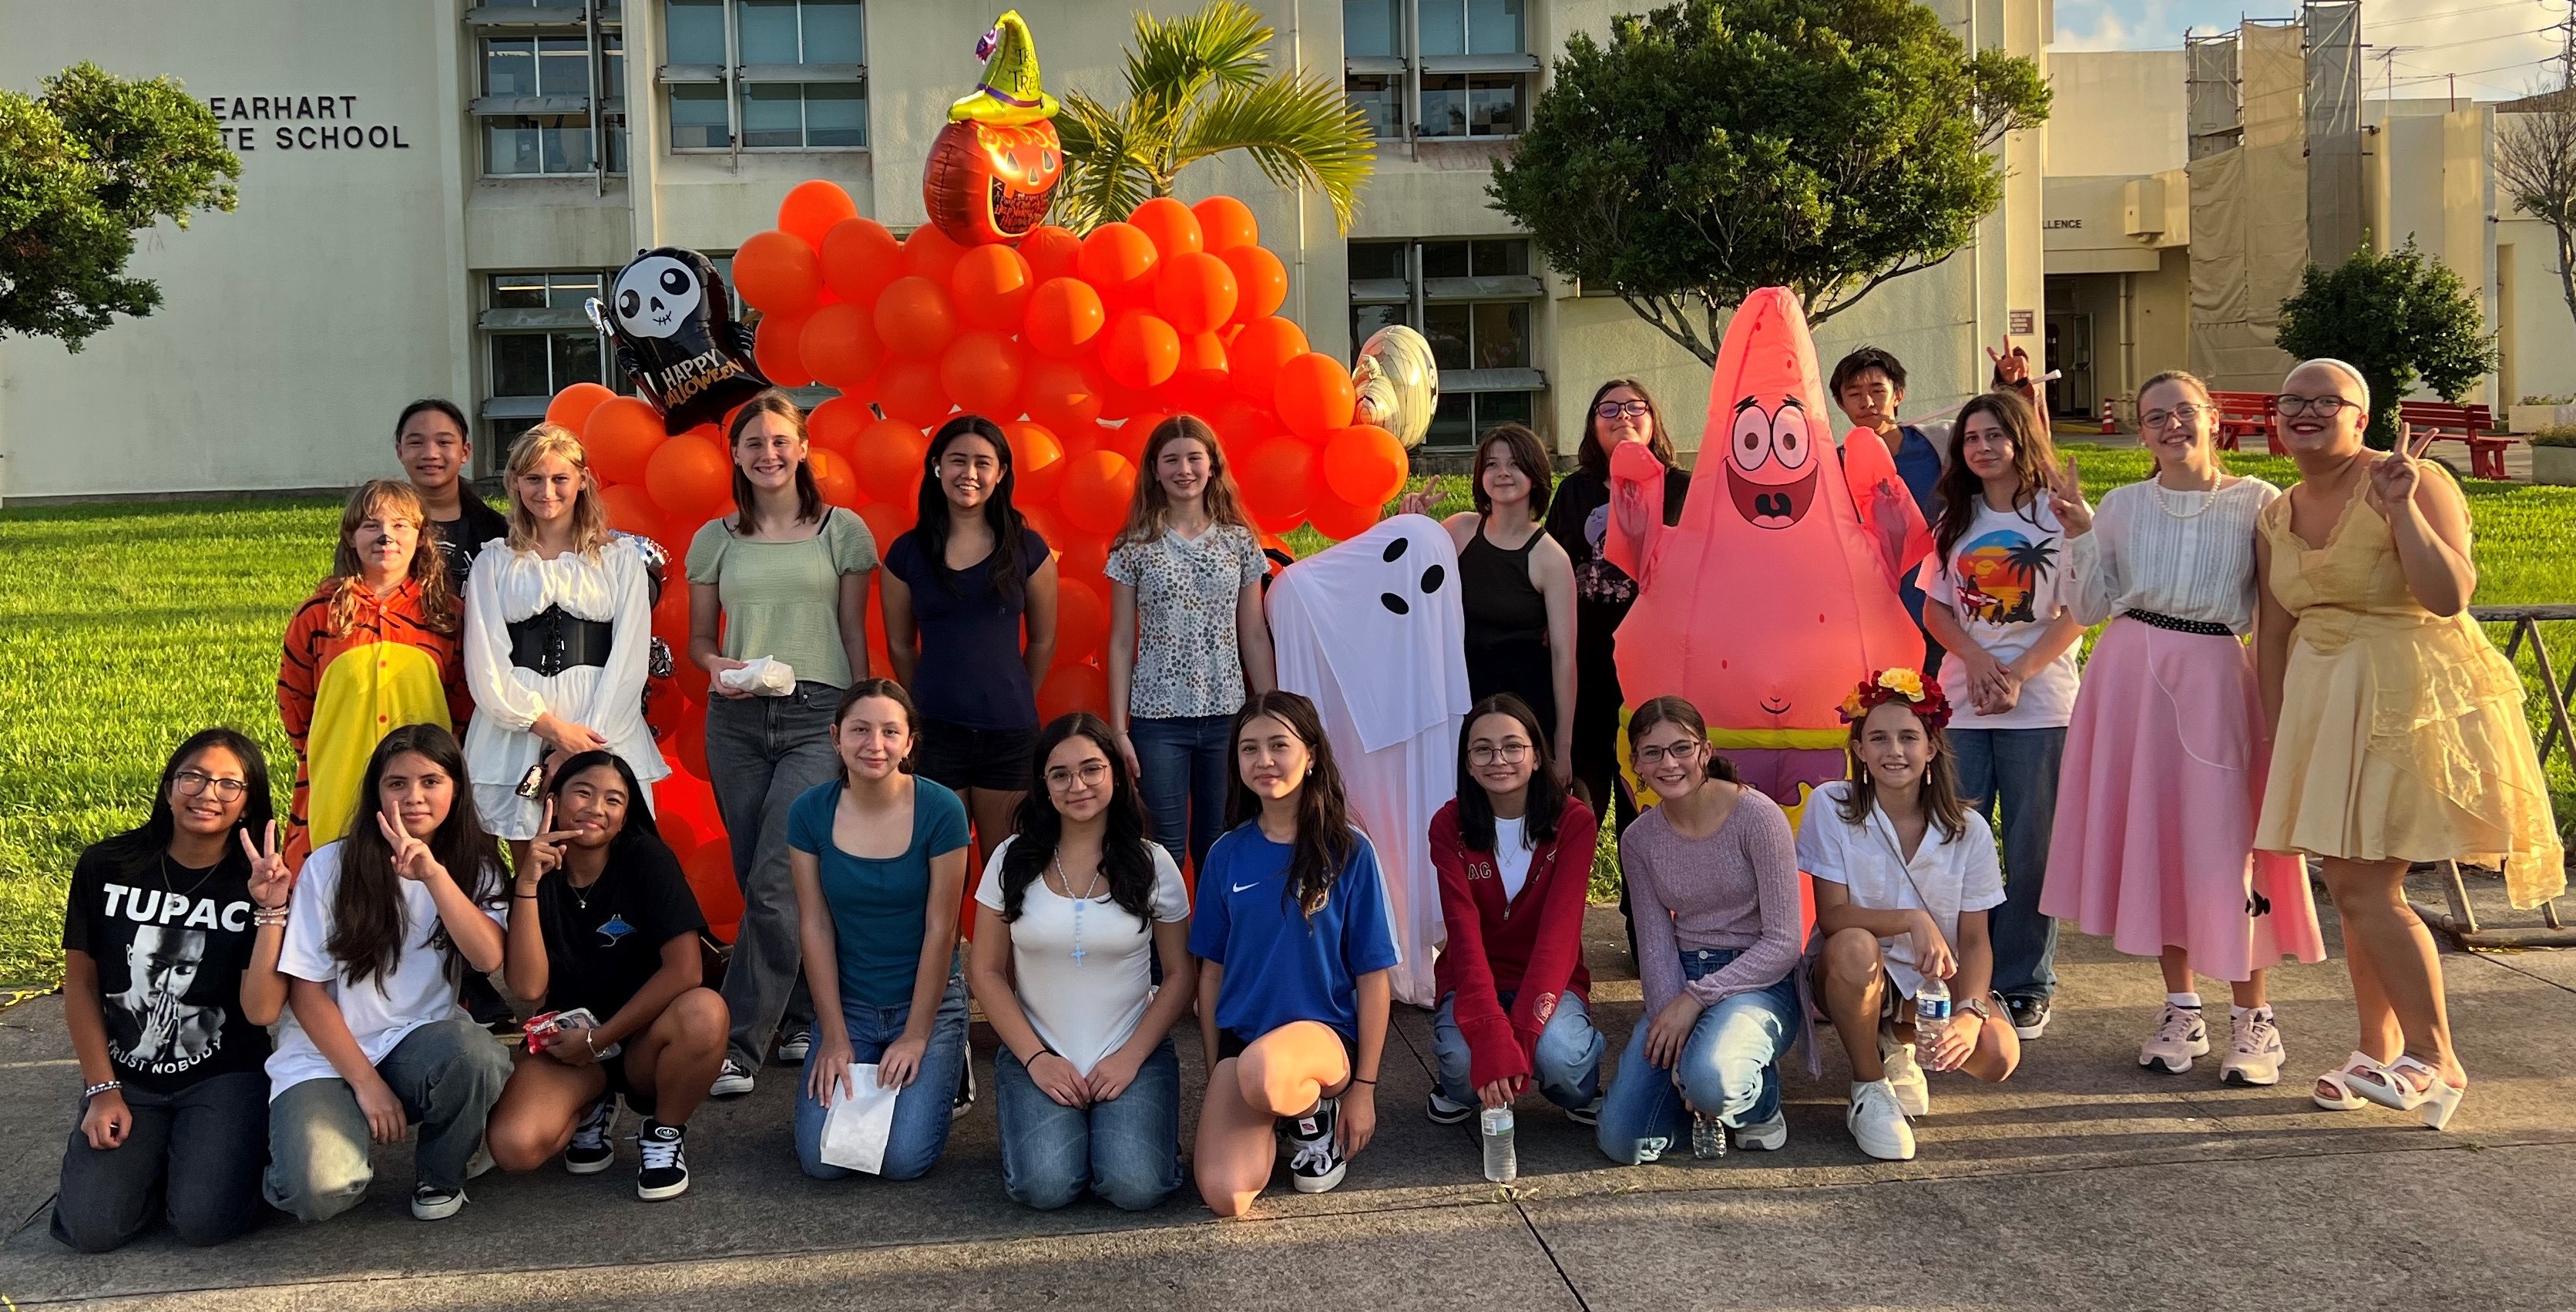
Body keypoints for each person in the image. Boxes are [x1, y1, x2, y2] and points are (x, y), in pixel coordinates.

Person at [2255, 358, 2564, 1130]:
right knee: (2352, 887)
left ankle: (2434, 1057)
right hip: (2325, 709)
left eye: (2326, 401)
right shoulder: (2276, 512)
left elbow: (2449, 595)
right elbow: (2274, 632)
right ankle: (2374, 1050)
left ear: (2361, 418)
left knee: (2364, 886)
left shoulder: (2409, 481)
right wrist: (2277, 733)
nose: (2305, 412)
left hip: (2405, 705)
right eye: (2291, 400)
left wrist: (2401, 512)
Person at [2040, 371, 2323, 1083]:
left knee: (2227, 844)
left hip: (2215, 681)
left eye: (2184, 411)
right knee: (2160, 835)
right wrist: (2079, 534)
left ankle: (2253, 1017)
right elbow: (2091, 607)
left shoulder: (2258, 502)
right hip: (2128, 678)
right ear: (2141, 432)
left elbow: (2276, 611)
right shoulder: (2123, 505)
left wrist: (2278, 707)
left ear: (2213, 418)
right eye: (2155, 416)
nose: (2171, 425)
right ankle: (2181, 1006)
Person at [687, 390, 880, 1098]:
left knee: (777, 876)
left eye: (779, 441)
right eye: (753, 443)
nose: (767, 454)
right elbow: (700, 640)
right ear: (735, 456)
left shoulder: (842, 531)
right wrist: (717, 666)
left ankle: (735, 1044)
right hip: (735, 720)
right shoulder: (714, 539)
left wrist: (863, 720)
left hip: (816, 714)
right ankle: (800, 1016)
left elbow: (853, 632)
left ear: (801, 449)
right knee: (760, 877)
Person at [260, 725, 513, 1223]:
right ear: (376, 791)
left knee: (477, 1056)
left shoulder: (476, 868)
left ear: (457, 789)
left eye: (431, 781)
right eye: (397, 783)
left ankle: (440, 1176)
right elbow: (306, 993)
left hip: (418, 1042)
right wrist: (367, 1085)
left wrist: (434, 875)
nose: (414, 796)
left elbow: (487, 959)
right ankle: (285, 1139)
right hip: (325, 1056)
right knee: (317, 1192)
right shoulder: (329, 866)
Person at [53, 731, 291, 1252]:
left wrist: (271, 908)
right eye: (194, 778)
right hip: (127, 1078)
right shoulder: (107, 866)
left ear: (248, 803)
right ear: (168, 788)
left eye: (229, 784)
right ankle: (162, 1162)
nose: (208, 794)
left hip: (224, 1076)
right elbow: (81, 985)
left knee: (205, 1223)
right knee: (92, 1229)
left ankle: (203, 1160)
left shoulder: (256, 880)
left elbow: (262, 1011)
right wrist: (102, 1089)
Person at [966, 713, 1196, 1211]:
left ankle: (1125, 1137)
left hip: (1131, 1049)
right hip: (1038, 1050)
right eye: (1061, 774)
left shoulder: (1152, 862)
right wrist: (1036, 1059)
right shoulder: (1010, 858)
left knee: (1136, 1187)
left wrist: (1130, 1057)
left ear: (1116, 773)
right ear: (1043, 785)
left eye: (1091, 769)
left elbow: (1181, 975)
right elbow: (984, 971)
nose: (1078, 786)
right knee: (1044, 1188)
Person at [1191, 691, 1399, 1216]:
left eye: (1278, 745)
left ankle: (1314, 1114)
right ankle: (1279, 1111)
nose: (1263, 760)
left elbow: (1374, 977)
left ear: (1311, 756)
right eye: (1249, 748)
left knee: (1264, 1072)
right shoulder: (1225, 854)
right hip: (1247, 1047)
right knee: (1227, 1195)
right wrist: (1217, 1071)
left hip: (1323, 1040)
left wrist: (1364, 1089)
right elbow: (1211, 973)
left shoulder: (1350, 851)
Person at [1916, 389, 2082, 1041]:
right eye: (1970, 438)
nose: (1982, 448)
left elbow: (2078, 611)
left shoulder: (2056, 515)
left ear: (2019, 439)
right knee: (1952, 846)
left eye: (1994, 436)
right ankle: (1960, 976)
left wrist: (2017, 673)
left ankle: (2024, 983)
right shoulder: (1954, 520)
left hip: (2039, 708)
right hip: (1962, 706)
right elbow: (1936, 609)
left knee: (2032, 851)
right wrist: (1978, 660)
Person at [485, 752, 727, 1199]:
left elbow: (686, 969)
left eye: (614, 800)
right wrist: (527, 884)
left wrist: (599, 1039)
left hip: (644, 1040)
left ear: (625, 817)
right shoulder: (537, 872)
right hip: (570, 1047)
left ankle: (664, 1133)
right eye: (583, 793)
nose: (597, 807)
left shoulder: (647, 858)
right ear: (553, 802)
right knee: (515, 1146)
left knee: (705, 1013)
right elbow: (528, 987)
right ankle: (592, 1103)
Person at [1803, 671, 2021, 1162]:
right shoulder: (1832, 805)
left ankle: (1895, 1040)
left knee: (1998, 1055)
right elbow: (1833, 917)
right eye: (1878, 738)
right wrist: (1913, 919)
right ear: (1859, 749)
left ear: (1931, 746)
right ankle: (1868, 1085)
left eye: (1908, 737)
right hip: (1852, 972)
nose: (1894, 751)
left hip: (1930, 984)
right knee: (1855, 945)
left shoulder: (1969, 829)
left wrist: (1970, 1013)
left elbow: (1975, 940)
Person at [1595, 697, 1803, 1163]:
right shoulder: (1639, 839)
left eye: (1681, 748)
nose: (1669, 764)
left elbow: (1784, 943)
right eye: (1652, 753)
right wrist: (1672, 1018)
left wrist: (1695, 1001)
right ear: (1636, 764)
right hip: (1683, 976)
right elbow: (1655, 945)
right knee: (1623, 1141)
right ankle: (1702, 1090)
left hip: (1758, 980)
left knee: (1710, 1080)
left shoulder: (1758, 816)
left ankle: (1759, 1103)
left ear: (1705, 751)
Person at [789, 679, 975, 1181]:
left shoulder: (942, 809)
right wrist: (834, 1035)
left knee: (903, 1160)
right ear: (835, 737)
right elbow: (814, 924)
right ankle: (880, 1063)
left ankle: (947, 1059)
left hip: (928, 1003)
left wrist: (916, 1035)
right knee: (823, 1161)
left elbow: (942, 928)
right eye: (860, 730)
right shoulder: (809, 812)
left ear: (909, 742)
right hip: (850, 1004)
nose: (875, 745)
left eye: (891, 732)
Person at [462, 423, 665, 871]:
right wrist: (550, 729)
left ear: (582, 480)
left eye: (559, 479)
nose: (547, 491)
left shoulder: (619, 560)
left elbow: (629, 662)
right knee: (530, 867)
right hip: (518, 730)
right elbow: (486, 665)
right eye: (534, 479)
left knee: (605, 863)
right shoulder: (494, 563)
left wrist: (581, 744)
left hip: (602, 723)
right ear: (515, 482)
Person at [882, 415, 1059, 887]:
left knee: (1010, 873)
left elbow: (1043, 640)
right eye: (958, 460)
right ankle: (949, 946)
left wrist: (1013, 694)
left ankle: (1003, 946)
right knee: (941, 876)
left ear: (1001, 472)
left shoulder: (1029, 549)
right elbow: (900, 643)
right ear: (937, 466)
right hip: (935, 733)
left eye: (983, 462)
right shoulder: (906, 553)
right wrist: (926, 702)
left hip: (1010, 735)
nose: (970, 473)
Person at [1106, 414, 1278, 878]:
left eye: (1194, 458)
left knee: (1219, 843)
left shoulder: (1239, 542)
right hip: (1157, 721)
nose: (1184, 470)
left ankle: (1214, 929)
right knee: (1162, 848)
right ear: (1154, 469)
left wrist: (1269, 710)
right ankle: (1164, 932)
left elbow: (1253, 634)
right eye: (1172, 460)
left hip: (1227, 718)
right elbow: (1121, 641)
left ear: (1212, 465)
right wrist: (1119, 729)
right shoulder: (1134, 545)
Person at [1426, 695, 1604, 1132]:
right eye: (1483, 750)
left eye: (1512, 747)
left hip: (1550, 979)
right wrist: (1490, 1035)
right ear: (1468, 764)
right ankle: (1455, 1085)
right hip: (1473, 978)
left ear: (1537, 756)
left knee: (1561, 1058)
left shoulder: (1574, 822)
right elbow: (1463, 938)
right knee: (1464, 1069)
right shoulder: (1448, 826)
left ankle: (1579, 1083)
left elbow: (1559, 938)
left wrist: (1520, 1039)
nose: (1498, 760)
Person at [278, 480, 472, 868]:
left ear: (421, 537)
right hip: (341, 780)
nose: (386, 536)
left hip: (421, 789)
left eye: (401, 525)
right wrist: (328, 751)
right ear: (351, 537)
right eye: (371, 525)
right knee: (335, 877)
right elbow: (295, 702)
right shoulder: (318, 614)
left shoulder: (447, 615)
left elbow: (463, 703)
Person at [1543, 378, 1691, 836]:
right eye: (1608, 409)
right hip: (1587, 662)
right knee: (1582, 797)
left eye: (1634, 406)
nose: (1622, 416)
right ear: (1593, 425)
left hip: (1655, 664)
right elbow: (1554, 564)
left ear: (1653, 419)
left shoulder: (1683, 488)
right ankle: (1572, 878)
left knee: (1646, 792)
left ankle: (1641, 883)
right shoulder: (1575, 491)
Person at [1426, 425, 1577, 771]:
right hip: (1459, 700)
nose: (1503, 473)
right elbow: (1404, 580)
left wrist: (1563, 748)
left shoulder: (1551, 559)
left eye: (1515, 464)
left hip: (1524, 712)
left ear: (1535, 475)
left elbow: (1564, 660)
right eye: (1492, 464)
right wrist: (1411, 524)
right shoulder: (1458, 531)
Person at [1832, 346, 1946, 675]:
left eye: (1877, 390)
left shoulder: (1940, 444)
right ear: (1841, 404)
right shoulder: (1834, 464)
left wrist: (2014, 388)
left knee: (1943, 702)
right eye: (1854, 394)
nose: (1867, 402)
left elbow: (2009, 437)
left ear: (1898, 394)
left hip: (1942, 610)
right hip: (1876, 618)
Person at [394, 399, 510, 597]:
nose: (431, 454)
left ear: (465, 452)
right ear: (400, 451)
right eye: (416, 442)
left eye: (444, 442)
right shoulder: (377, 527)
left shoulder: (497, 531)